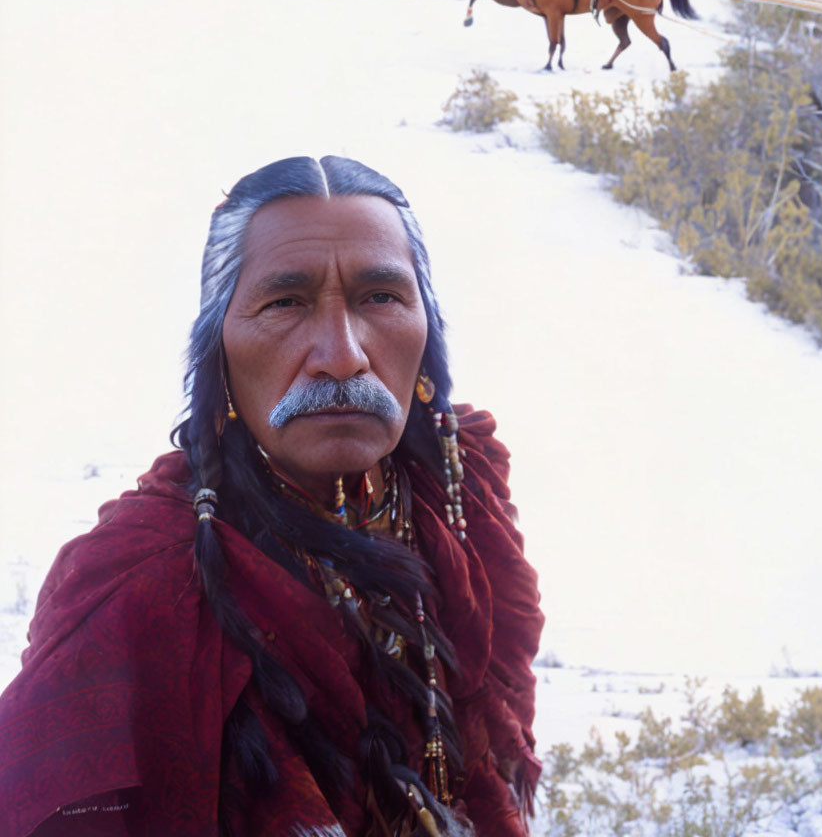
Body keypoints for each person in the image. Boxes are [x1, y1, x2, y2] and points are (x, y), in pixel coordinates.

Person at [0, 155, 544, 837]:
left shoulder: (458, 493)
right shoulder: (136, 584)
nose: (342, 356)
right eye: (285, 302)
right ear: (217, 356)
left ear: (427, 339)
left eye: (381, 298)